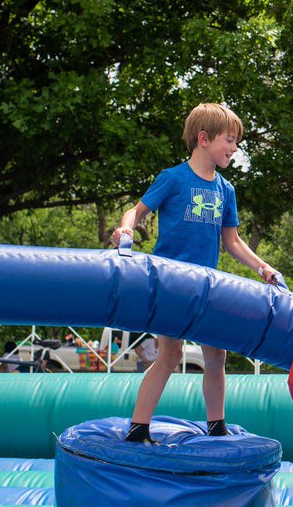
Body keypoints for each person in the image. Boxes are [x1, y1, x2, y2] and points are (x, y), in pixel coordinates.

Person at [110, 102, 282, 443]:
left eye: (236, 142)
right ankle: (138, 428)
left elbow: (231, 241)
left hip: (206, 286)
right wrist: (125, 230)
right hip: (170, 282)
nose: (234, 148)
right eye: (229, 141)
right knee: (170, 354)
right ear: (204, 138)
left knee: (216, 356)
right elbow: (136, 212)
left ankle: (216, 428)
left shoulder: (225, 189)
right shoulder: (173, 179)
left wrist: (261, 266)